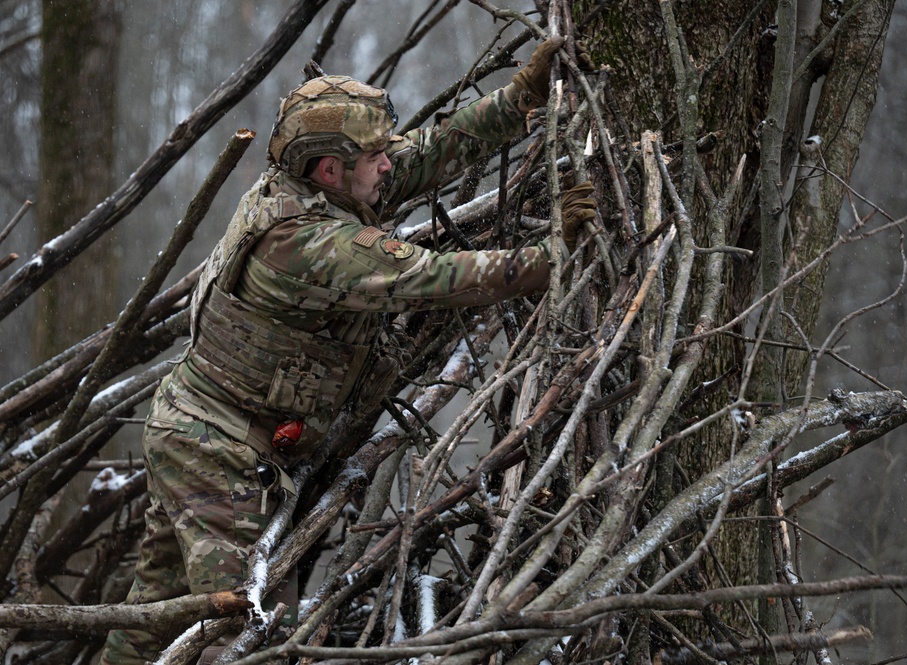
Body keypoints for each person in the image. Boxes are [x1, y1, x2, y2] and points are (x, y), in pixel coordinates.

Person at [100, 36, 596, 664]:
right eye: (374, 154)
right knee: (242, 630)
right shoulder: (308, 243)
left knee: (154, 617)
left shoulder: (320, 189)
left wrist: (522, 97)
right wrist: (554, 257)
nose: (389, 163)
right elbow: (435, 278)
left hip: (205, 432)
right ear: (329, 168)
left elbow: (430, 151)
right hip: (214, 451)